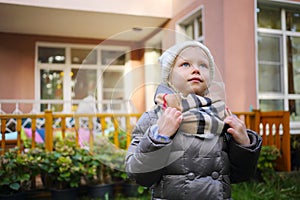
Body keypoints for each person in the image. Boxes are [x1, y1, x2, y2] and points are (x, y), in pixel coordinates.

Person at [125, 40, 262, 200]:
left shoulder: (222, 115)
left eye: (203, 65)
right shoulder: (155, 118)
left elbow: (241, 175)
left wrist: (244, 144)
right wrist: (158, 138)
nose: (196, 69)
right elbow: (139, 175)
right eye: (185, 64)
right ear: (168, 75)